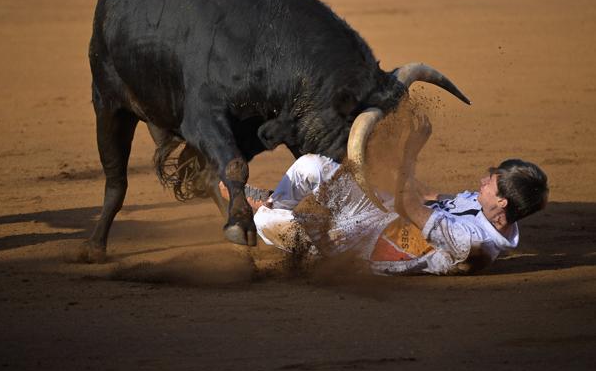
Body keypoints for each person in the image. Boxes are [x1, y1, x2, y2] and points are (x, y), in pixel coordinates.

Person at [228, 114, 549, 275]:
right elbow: (431, 198)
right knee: (310, 166)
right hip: (380, 212)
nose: (482, 181)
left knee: (278, 226)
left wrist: (411, 150)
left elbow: (409, 204)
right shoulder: (485, 210)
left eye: (490, 182)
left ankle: (262, 212)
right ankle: (276, 201)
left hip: (365, 248)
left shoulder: (472, 244)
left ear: (503, 202)